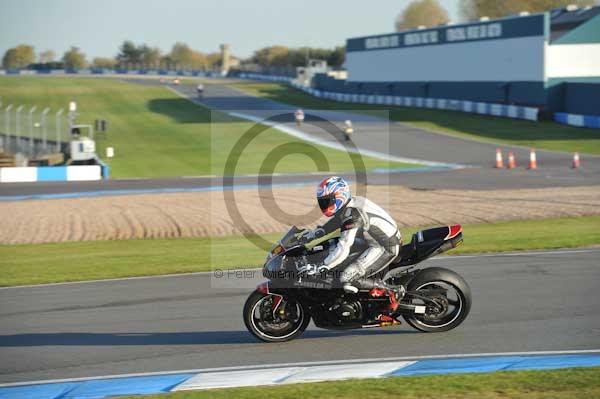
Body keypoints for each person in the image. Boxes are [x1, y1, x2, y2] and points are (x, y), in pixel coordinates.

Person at [301, 176, 404, 314]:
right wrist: (315, 234)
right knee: (332, 248)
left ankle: (393, 291)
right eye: (322, 202)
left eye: (327, 201)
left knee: (347, 277)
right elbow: (338, 220)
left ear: (339, 197)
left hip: (384, 246)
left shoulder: (354, 215)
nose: (324, 205)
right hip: (371, 240)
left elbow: (344, 248)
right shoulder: (349, 206)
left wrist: (322, 266)